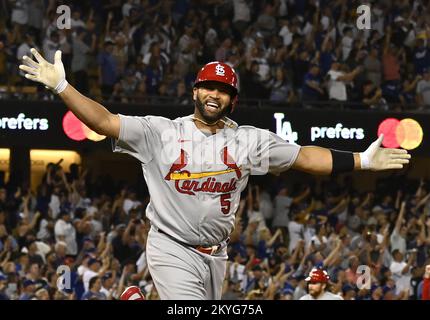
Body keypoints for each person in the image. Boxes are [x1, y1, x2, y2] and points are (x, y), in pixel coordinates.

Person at [19, 49, 410, 300]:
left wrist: (361, 161)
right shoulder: (161, 132)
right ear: (194, 91)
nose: (214, 94)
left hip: (217, 253)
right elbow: (103, 121)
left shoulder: (249, 141)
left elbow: (305, 157)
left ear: (232, 99)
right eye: (208, 86)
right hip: (171, 245)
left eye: (222, 90)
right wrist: (63, 86)